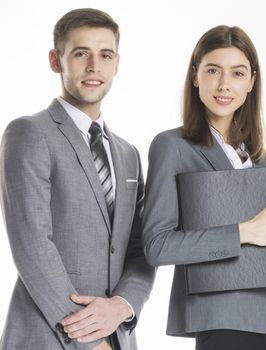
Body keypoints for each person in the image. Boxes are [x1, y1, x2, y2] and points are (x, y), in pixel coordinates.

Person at [141, 25, 266, 350]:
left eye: (237, 73)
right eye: (212, 71)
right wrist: (243, 232)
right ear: (195, 76)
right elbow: (157, 246)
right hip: (223, 318)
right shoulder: (172, 147)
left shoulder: (262, 158)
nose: (224, 85)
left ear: (251, 81)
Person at [0, 8, 156, 350]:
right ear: (56, 61)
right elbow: (33, 246)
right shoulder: (29, 133)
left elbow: (140, 247)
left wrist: (123, 306)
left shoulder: (128, 154)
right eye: (81, 53)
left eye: (105, 55)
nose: (94, 67)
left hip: (119, 340)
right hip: (49, 336)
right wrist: (90, 340)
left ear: (117, 64)